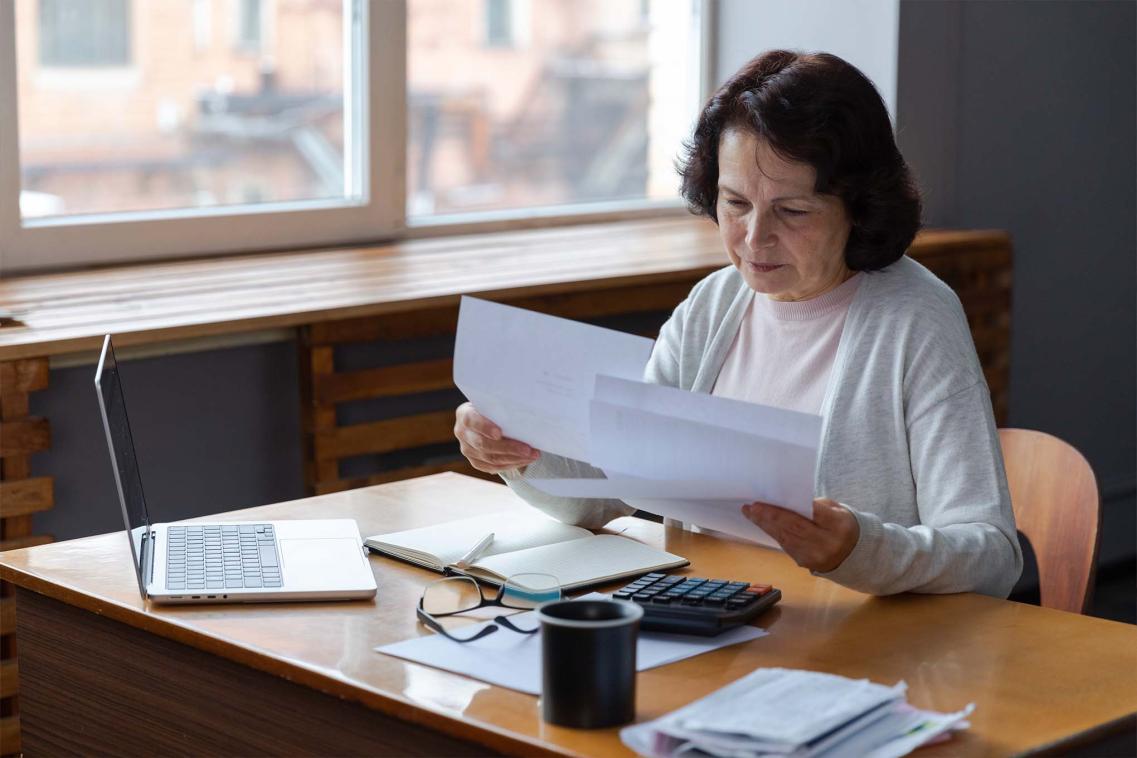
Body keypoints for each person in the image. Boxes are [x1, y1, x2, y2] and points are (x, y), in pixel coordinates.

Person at [453, 50, 1022, 598]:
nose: (754, 239)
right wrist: (520, 445)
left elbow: (992, 556)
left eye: (792, 211)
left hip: (855, 643)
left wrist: (859, 548)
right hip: (713, 619)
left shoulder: (916, 319)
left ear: (860, 206)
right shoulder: (715, 304)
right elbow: (612, 492)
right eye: (735, 203)